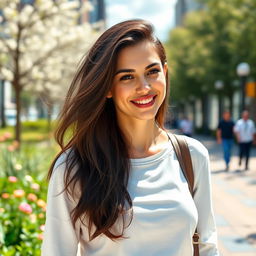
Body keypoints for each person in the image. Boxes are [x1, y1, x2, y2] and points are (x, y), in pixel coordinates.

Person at [41, 19, 219, 256]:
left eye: (152, 72)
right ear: (107, 87)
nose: (144, 87)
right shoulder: (74, 167)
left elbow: (207, 246)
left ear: (165, 73)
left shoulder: (192, 156)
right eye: (127, 77)